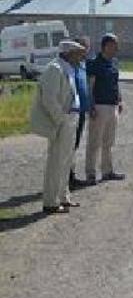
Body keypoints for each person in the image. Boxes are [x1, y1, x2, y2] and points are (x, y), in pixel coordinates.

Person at [29, 40, 87, 214]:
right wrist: (61, 119)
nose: (81, 56)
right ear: (67, 53)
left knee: (67, 161)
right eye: (78, 52)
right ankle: (50, 202)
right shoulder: (55, 69)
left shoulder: (68, 68)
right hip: (62, 121)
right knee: (56, 162)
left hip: (71, 119)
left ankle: (63, 196)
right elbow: (49, 99)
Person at [85, 33, 126, 183]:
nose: (117, 48)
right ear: (106, 46)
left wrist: (120, 100)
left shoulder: (114, 63)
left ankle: (107, 171)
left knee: (109, 141)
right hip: (99, 106)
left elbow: (116, 84)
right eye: (114, 45)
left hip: (112, 105)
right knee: (94, 141)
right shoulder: (95, 63)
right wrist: (91, 105)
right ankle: (90, 173)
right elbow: (90, 86)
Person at [69, 36, 94, 189]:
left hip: (82, 112)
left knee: (75, 144)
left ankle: (70, 175)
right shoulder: (71, 65)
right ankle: (67, 177)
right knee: (69, 145)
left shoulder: (84, 64)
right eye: (83, 46)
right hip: (72, 111)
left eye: (87, 47)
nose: (85, 50)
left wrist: (90, 105)